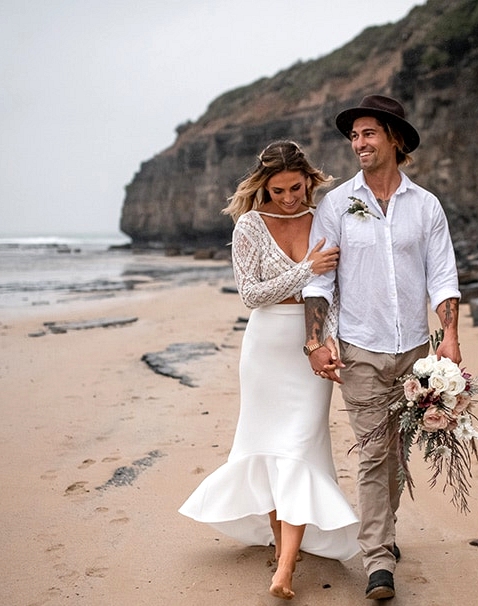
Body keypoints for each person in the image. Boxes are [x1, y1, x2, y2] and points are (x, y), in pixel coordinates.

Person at [178, 140, 360, 600]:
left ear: (309, 179)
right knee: (270, 449)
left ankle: (283, 569)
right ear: (264, 186)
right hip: (265, 349)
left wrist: (325, 338)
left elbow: (332, 287)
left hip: (310, 344)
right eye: (278, 190)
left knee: (298, 449)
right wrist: (304, 269)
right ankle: (284, 553)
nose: (289, 198)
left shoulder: (325, 218)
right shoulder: (250, 227)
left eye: (296, 188)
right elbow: (251, 294)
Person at [302, 95, 462, 600]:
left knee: (398, 452)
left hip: (416, 351)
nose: (359, 144)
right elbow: (319, 281)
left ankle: (382, 534)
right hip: (360, 348)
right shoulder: (336, 205)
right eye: (354, 136)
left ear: (393, 138)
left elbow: (442, 275)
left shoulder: (426, 205)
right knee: (373, 453)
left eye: (368, 133)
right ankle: (378, 559)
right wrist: (315, 340)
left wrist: (451, 337)